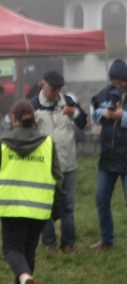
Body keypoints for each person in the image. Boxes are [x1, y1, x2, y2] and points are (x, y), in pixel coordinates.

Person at [0, 100, 62, 284]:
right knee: (29, 247)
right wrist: (57, 208)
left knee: (11, 248)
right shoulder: (48, 142)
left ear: (13, 119)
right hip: (39, 206)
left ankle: (24, 277)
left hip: (11, 206)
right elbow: (58, 176)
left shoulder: (3, 142)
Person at [30, 70, 86, 253]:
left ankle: (68, 243)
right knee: (46, 205)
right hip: (44, 165)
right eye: (52, 89)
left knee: (68, 206)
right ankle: (49, 243)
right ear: (43, 84)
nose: (55, 93)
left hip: (68, 163)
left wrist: (75, 114)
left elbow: (83, 123)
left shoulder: (69, 102)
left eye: (58, 89)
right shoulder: (33, 105)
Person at [89, 59, 127, 249]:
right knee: (101, 198)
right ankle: (106, 239)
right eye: (114, 81)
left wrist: (122, 117)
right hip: (108, 156)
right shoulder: (105, 93)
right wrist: (104, 114)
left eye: (120, 82)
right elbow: (93, 112)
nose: (117, 85)